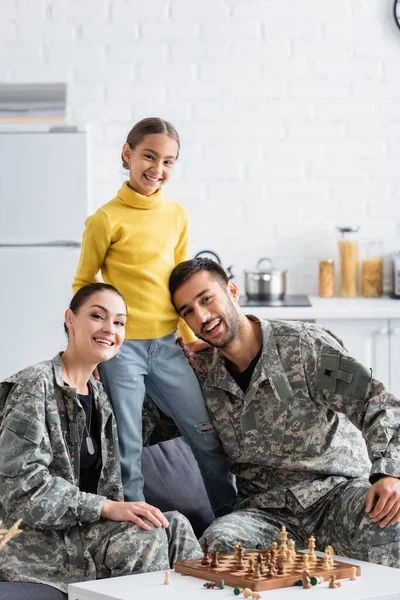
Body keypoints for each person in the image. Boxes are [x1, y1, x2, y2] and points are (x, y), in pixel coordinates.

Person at [166, 257, 400, 568]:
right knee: (216, 547)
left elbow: (376, 401)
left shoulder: (305, 346)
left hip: (336, 497)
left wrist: (389, 472)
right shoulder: (199, 372)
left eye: (206, 299)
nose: (202, 316)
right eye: (188, 312)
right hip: (264, 515)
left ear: (232, 291)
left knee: (392, 523)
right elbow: (147, 422)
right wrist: (108, 365)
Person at [72, 117, 235, 517]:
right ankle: (137, 529)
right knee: (127, 446)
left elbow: (180, 283)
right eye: (149, 156)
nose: (157, 169)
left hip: (168, 345)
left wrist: (186, 335)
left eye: (168, 161)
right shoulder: (105, 219)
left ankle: (234, 519)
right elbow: (83, 281)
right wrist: (87, 348)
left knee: (206, 436)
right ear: (127, 154)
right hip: (123, 350)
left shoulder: (176, 215)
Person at [0, 283, 201, 595]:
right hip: (38, 544)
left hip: (87, 533)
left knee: (173, 526)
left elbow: (151, 426)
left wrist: (187, 371)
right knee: (143, 536)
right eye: (98, 316)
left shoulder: (102, 396)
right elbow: (22, 490)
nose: (110, 329)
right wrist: (106, 507)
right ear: (70, 318)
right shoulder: (34, 387)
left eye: (119, 322)